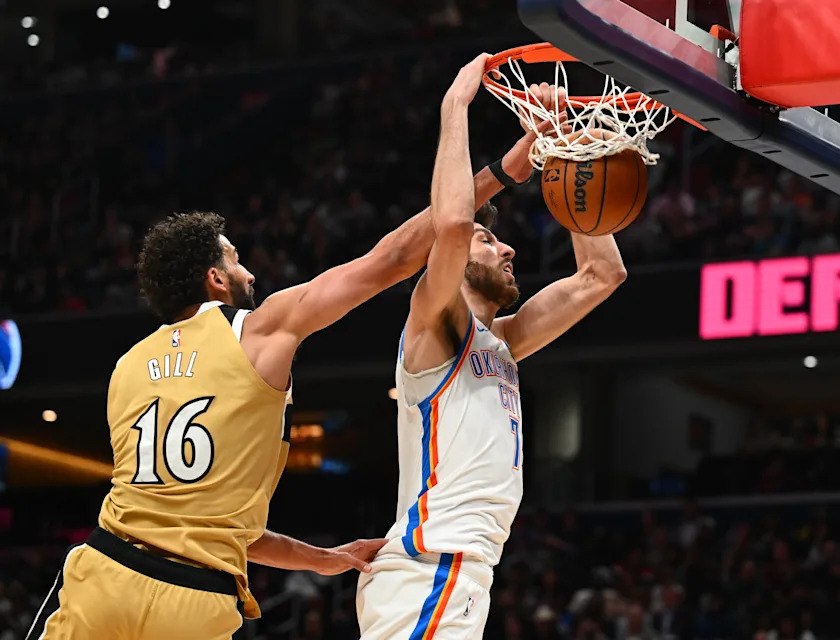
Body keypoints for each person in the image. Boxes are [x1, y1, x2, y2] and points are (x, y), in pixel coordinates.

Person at [26, 92, 547, 640]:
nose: (249, 270)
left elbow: (197, 517)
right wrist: (500, 172)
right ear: (215, 280)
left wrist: (323, 559)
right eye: (235, 259)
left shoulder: (126, 368)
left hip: (104, 573)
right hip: (196, 599)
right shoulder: (257, 330)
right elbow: (390, 260)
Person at [356, 53, 626, 638]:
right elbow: (451, 225)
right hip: (432, 568)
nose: (505, 249)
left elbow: (600, 275)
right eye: (488, 239)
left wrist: (567, 150)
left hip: (455, 574)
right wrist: (455, 107)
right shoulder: (435, 326)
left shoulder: (500, 342)